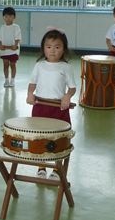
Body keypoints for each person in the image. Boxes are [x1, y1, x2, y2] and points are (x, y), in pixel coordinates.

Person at [26, 28, 77, 179]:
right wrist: (30, 94)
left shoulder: (66, 67)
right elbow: (32, 84)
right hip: (40, 107)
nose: (52, 50)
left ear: (63, 49)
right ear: (43, 48)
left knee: (59, 138)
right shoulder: (39, 65)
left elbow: (72, 88)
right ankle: (41, 167)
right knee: (40, 137)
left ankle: (57, 169)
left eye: (57, 47)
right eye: (48, 47)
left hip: (59, 108)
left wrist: (67, 96)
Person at [0, 6, 22, 88]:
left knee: (13, 65)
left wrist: (15, 45)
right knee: (5, 65)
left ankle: (12, 80)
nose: (8, 18)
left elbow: (18, 38)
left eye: (10, 16)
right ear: (3, 17)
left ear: (14, 17)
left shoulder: (16, 27)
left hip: (13, 50)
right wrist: (0, 45)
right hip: (4, 50)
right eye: (6, 16)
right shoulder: (2, 27)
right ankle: (6, 80)